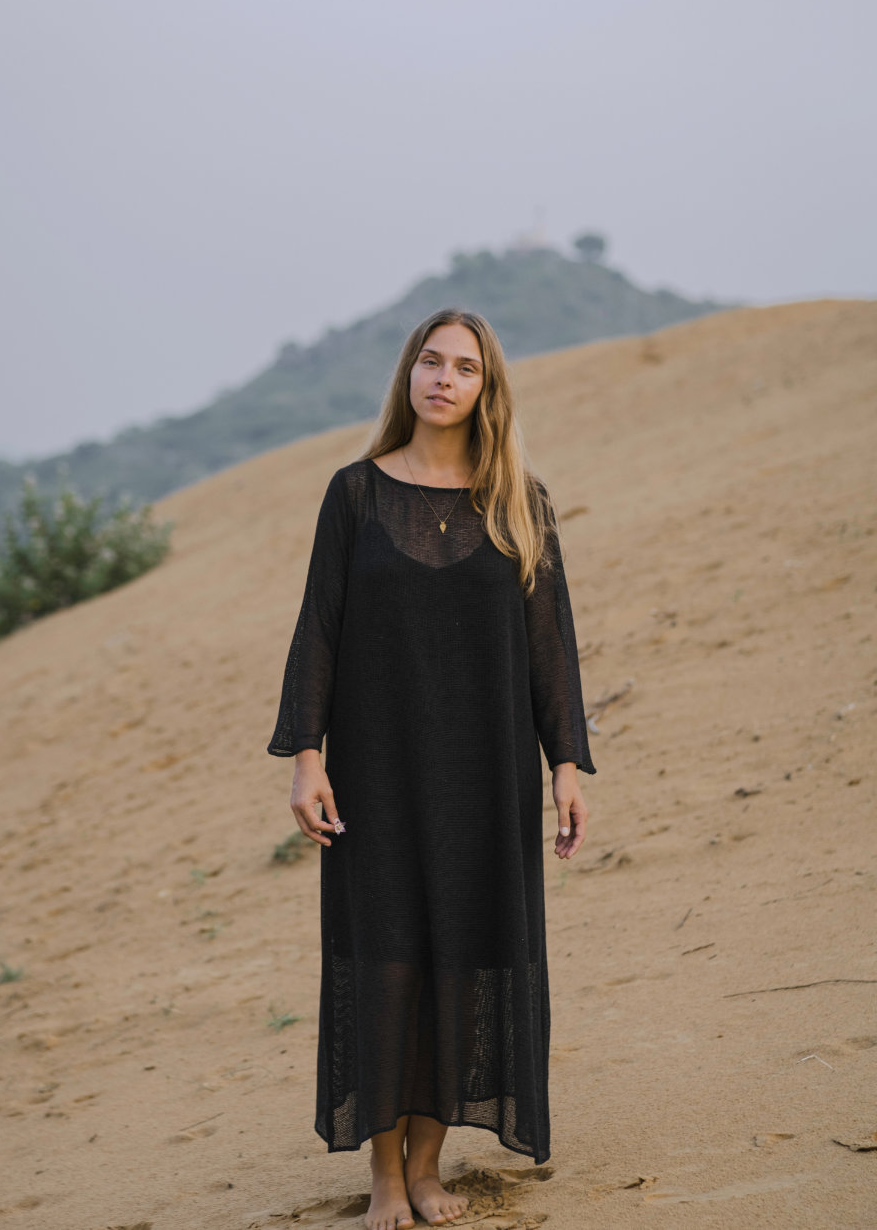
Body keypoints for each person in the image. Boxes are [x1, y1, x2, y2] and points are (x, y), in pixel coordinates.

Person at [268, 309, 594, 1230]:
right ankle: (381, 1176)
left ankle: (427, 1164)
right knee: (389, 960)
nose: (444, 378)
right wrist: (306, 759)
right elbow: (317, 631)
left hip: (487, 777)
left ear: (488, 390)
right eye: (431, 360)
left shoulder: (519, 504)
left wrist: (567, 767)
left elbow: (550, 651)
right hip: (376, 776)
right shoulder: (356, 495)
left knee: (461, 958)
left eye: (465, 368)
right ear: (408, 374)